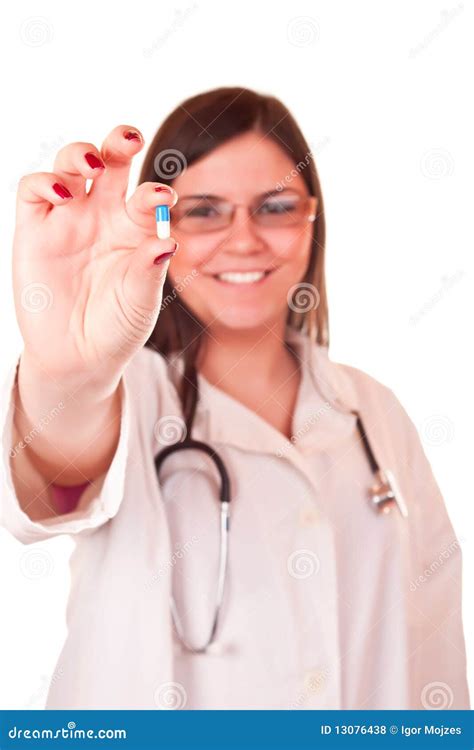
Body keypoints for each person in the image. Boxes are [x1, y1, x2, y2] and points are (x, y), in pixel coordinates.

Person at [1, 87, 469, 710]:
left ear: (313, 219)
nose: (244, 240)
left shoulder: (374, 413)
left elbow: (435, 649)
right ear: (158, 230)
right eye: (202, 211)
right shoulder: (129, 396)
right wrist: (69, 378)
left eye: (275, 207)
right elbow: (57, 468)